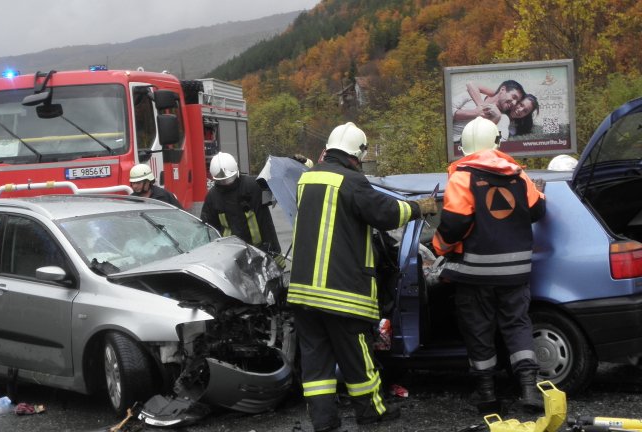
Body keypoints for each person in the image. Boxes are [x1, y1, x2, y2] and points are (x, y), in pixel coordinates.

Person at [288, 122, 438, 431]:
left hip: (303, 293)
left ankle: (324, 422)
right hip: (342, 294)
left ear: (329, 149)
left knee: (317, 366)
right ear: (356, 155)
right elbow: (385, 214)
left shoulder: (307, 179)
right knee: (358, 359)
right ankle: (371, 413)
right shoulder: (352, 181)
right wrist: (417, 208)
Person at [432, 117, 546, 413]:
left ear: (465, 146)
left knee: (478, 328)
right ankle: (529, 390)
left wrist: (439, 247)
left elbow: (454, 223)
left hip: (475, 273)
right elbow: (537, 211)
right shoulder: (519, 176)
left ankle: (486, 394)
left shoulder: (462, 176)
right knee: (517, 325)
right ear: (497, 143)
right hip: (516, 272)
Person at [200, 152, 284, 265]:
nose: (226, 183)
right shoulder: (212, 197)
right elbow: (208, 230)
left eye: (229, 179)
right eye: (222, 180)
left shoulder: (254, 187)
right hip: (233, 258)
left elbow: (278, 193)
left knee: (273, 280)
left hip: (264, 252)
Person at [452, 80, 525, 142]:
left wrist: (495, 119)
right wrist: (475, 113)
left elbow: (499, 143)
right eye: (513, 97)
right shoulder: (472, 95)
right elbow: (446, 111)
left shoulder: (503, 118)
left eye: (517, 101)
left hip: (466, 151)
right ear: (502, 90)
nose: (514, 103)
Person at [467, 83, 540, 136]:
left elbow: (499, 139)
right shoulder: (501, 99)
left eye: (525, 111)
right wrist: (481, 106)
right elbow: (471, 84)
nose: (520, 110)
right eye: (520, 104)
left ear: (526, 115)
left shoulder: (513, 126)